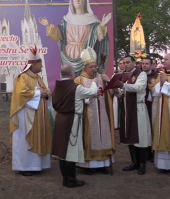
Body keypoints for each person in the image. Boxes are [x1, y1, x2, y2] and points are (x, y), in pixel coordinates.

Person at [39, 0, 111, 75]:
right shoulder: (67, 20)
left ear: (85, 1)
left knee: (85, 81)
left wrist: (102, 25)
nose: (77, 0)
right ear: (72, 2)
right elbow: (59, 35)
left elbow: (99, 36)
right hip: (67, 56)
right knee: (70, 83)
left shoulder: (92, 21)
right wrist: (49, 25)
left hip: (85, 55)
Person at [52, 64, 99, 188]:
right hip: (73, 120)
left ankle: (65, 178)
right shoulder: (76, 88)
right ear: (72, 74)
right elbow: (92, 92)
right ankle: (71, 180)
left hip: (60, 119)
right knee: (71, 151)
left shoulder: (56, 87)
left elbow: (54, 106)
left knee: (62, 151)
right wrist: (94, 82)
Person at [10, 47, 52, 176]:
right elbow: (21, 94)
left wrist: (46, 93)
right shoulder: (22, 77)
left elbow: (45, 90)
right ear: (33, 64)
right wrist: (40, 93)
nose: (41, 67)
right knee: (25, 138)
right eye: (40, 64)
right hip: (26, 116)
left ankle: (38, 164)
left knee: (39, 135)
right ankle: (25, 166)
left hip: (39, 114)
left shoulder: (37, 77)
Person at [74, 47, 115, 175]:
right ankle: (88, 165)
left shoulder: (101, 77)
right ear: (85, 67)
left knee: (104, 137)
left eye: (95, 66)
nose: (93, 69)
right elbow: (77, 97)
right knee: (90, 138)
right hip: (88, 113)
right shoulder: (79, 80)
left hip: (102, 112)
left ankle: (103, 164)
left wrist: (109, 82)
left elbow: (111, 94)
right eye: (91, 66)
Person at [113, 55, 152, 175]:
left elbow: (139, 87)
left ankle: (142, 164)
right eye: (124, 63)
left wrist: (123, 86)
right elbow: (120, 94)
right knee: (129, 135)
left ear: (134, 63)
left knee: (141, 137)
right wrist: (115, 90)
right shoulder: (122, 75)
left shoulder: (141, 74)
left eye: (128, 62)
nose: (125, 65)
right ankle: (134, 161)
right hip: (126, 109)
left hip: (137, 108)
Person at [141, 57, 158, 160]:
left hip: (152, 105)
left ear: (152, 65)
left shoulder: (156, 76)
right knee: (144, 128)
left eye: (147, 64)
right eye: (143, 63)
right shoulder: (138, 76)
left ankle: (154, 151)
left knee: (153, 127)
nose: (144, 65)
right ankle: (146, 151)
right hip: (142, 104)